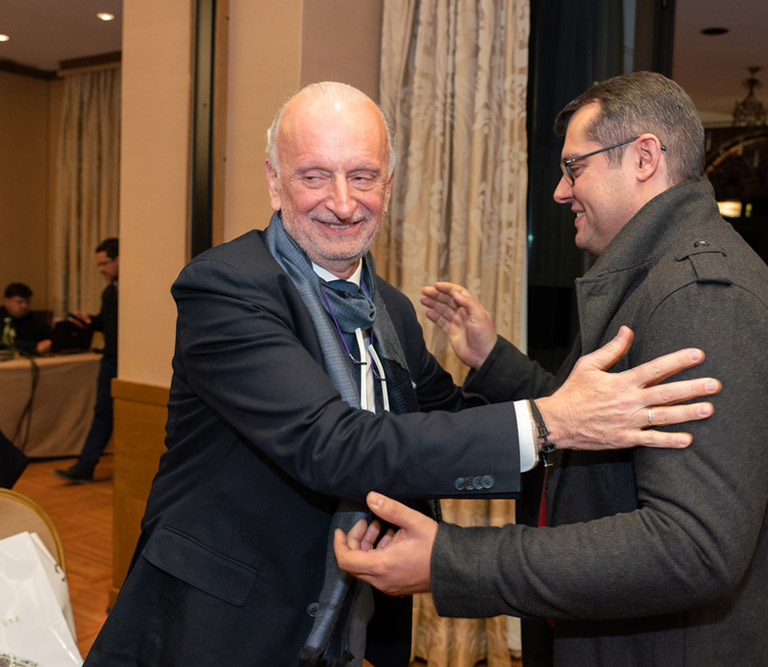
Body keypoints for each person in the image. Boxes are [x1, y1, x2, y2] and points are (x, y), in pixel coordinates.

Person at [83, 82, 719, 667]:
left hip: (349, 630)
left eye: (362, 177)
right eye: (314, 176)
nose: (342, 203)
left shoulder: (389, 308)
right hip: (217, 630)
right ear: (275, 183)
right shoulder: (225, 288)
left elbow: (445, 423)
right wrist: (548, 423)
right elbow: (329, 445)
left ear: (387, 185)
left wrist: (568, 409)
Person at [335, 71, 768, 665]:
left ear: (644, 158)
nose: (561, 192)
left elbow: (692, 545)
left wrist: (452, 559)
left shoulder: (702, 299)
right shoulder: (658, 277)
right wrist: (492, 358)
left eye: (574, 167)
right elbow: (600, 425)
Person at [55, 238, 119, 483]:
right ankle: (85, 467)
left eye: (104, 263)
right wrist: (91, 322)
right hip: (109, 359)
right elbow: (107, 323)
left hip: (128, 362)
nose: (101, 269)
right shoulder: (108, 292)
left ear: (119, 259)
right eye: (98, 265)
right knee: (102, 413)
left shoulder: (133, 290)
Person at [0, 282, 53, 354]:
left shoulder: (35, 319)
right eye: (19, 302)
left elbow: (50, 337)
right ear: (6, 301)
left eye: (27, 302)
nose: (24, 306)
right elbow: (4, 343)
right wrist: (35, 346)